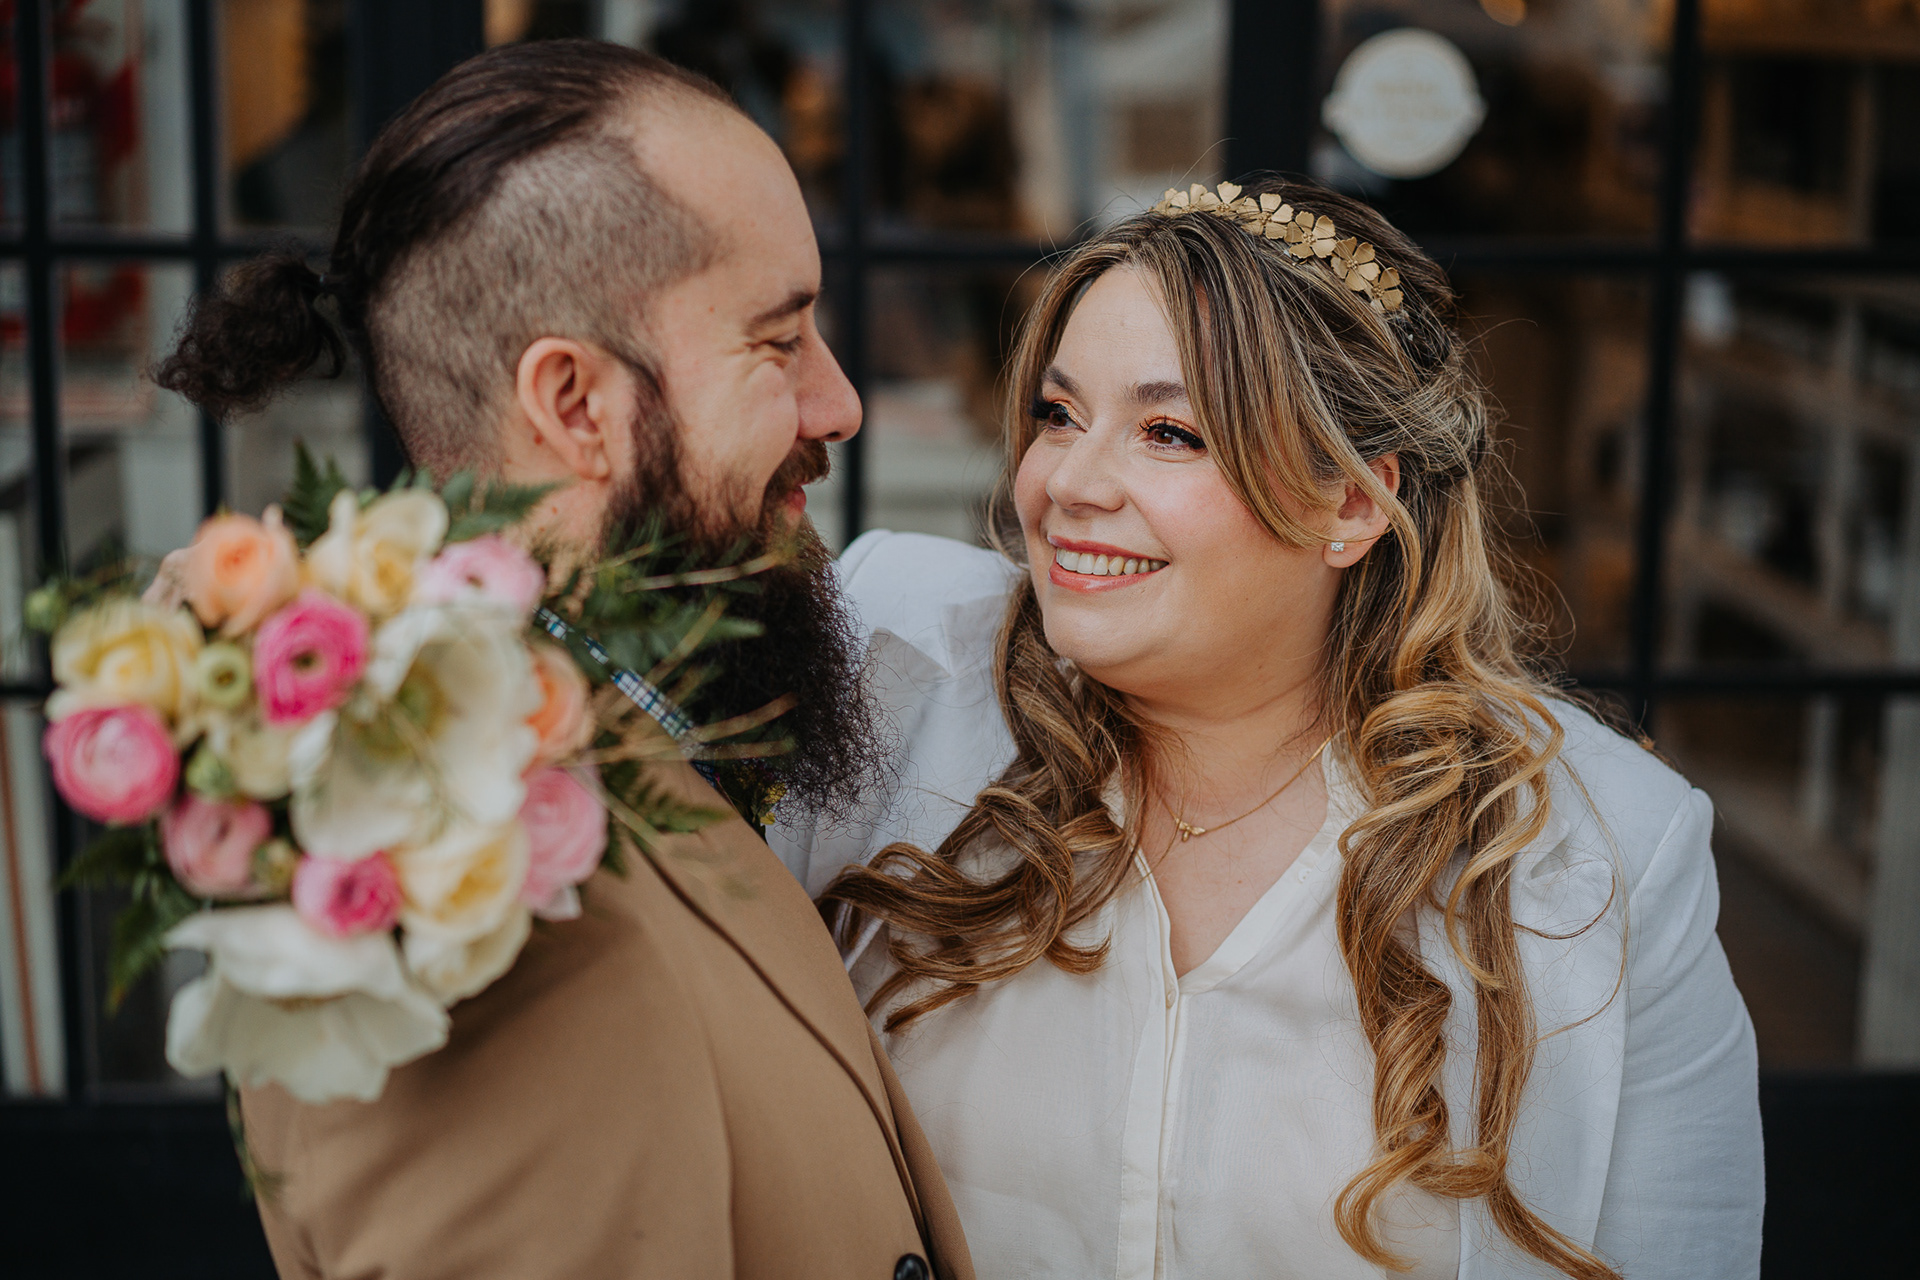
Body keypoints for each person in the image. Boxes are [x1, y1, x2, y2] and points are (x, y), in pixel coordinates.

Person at [779, 178, 1765, 1279]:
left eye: (1169, 432)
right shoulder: (895, 668)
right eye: (1059, 415)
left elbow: (1680, 1245)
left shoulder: (1601, 856)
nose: (1068, 483)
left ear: (1352, 502)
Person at [156, 40, 971, 1280]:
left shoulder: (632, 722)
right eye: (778, 342)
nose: (841, 402)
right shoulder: (447, 867)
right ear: (577, 404)